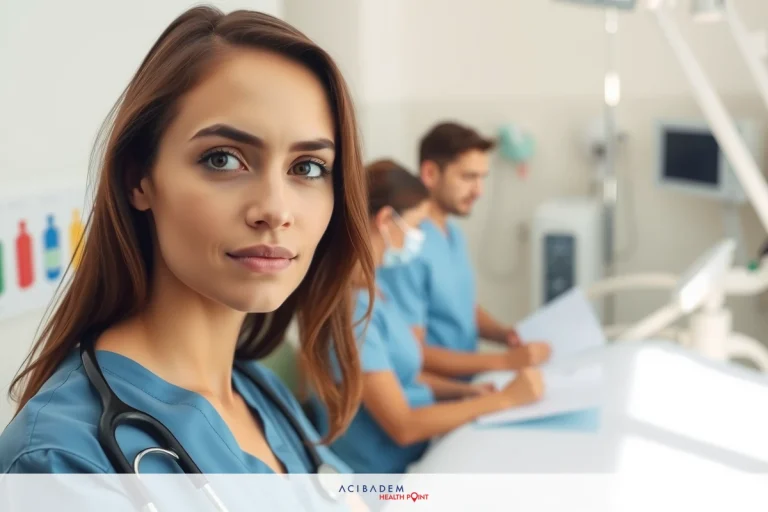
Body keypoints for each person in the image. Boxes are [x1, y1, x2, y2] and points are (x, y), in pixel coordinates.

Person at [0, 5, 374, 490]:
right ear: (140, 179)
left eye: (307, 168)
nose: (276, 210)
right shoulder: (61, 461)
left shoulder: (259, 393)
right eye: (223, 159)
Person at [309, 159, 545, 475]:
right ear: (385, 220)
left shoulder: (375, 289)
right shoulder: (351, 312)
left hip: (420, 456)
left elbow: (403, 375)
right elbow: (402, 425)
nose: (420, 238)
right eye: (417, 226)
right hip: (378, 482)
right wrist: (506, 400)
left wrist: (465, 392)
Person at [377, 122, 551, 379]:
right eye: (468, 177)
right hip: (437, 394)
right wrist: (505, 361)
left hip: (471, 384)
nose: (478, 191)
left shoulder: (452, 234)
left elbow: (460, 308)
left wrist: (506, 335)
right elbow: (412, 351)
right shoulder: (407, 247)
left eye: (482, 178)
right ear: (430, 173)